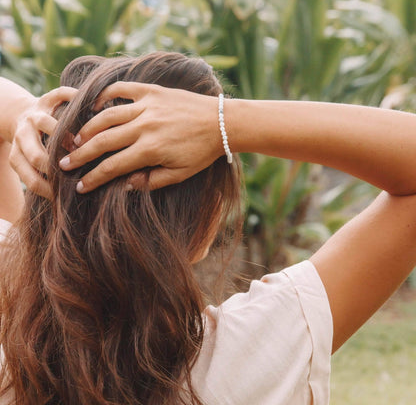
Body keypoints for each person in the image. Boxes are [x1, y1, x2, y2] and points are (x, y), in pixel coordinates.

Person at [1, 51, 416, 405]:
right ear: (210, 215)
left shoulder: (9, 322)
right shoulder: (256, 353)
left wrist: (38, 116)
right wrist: (224, 122)